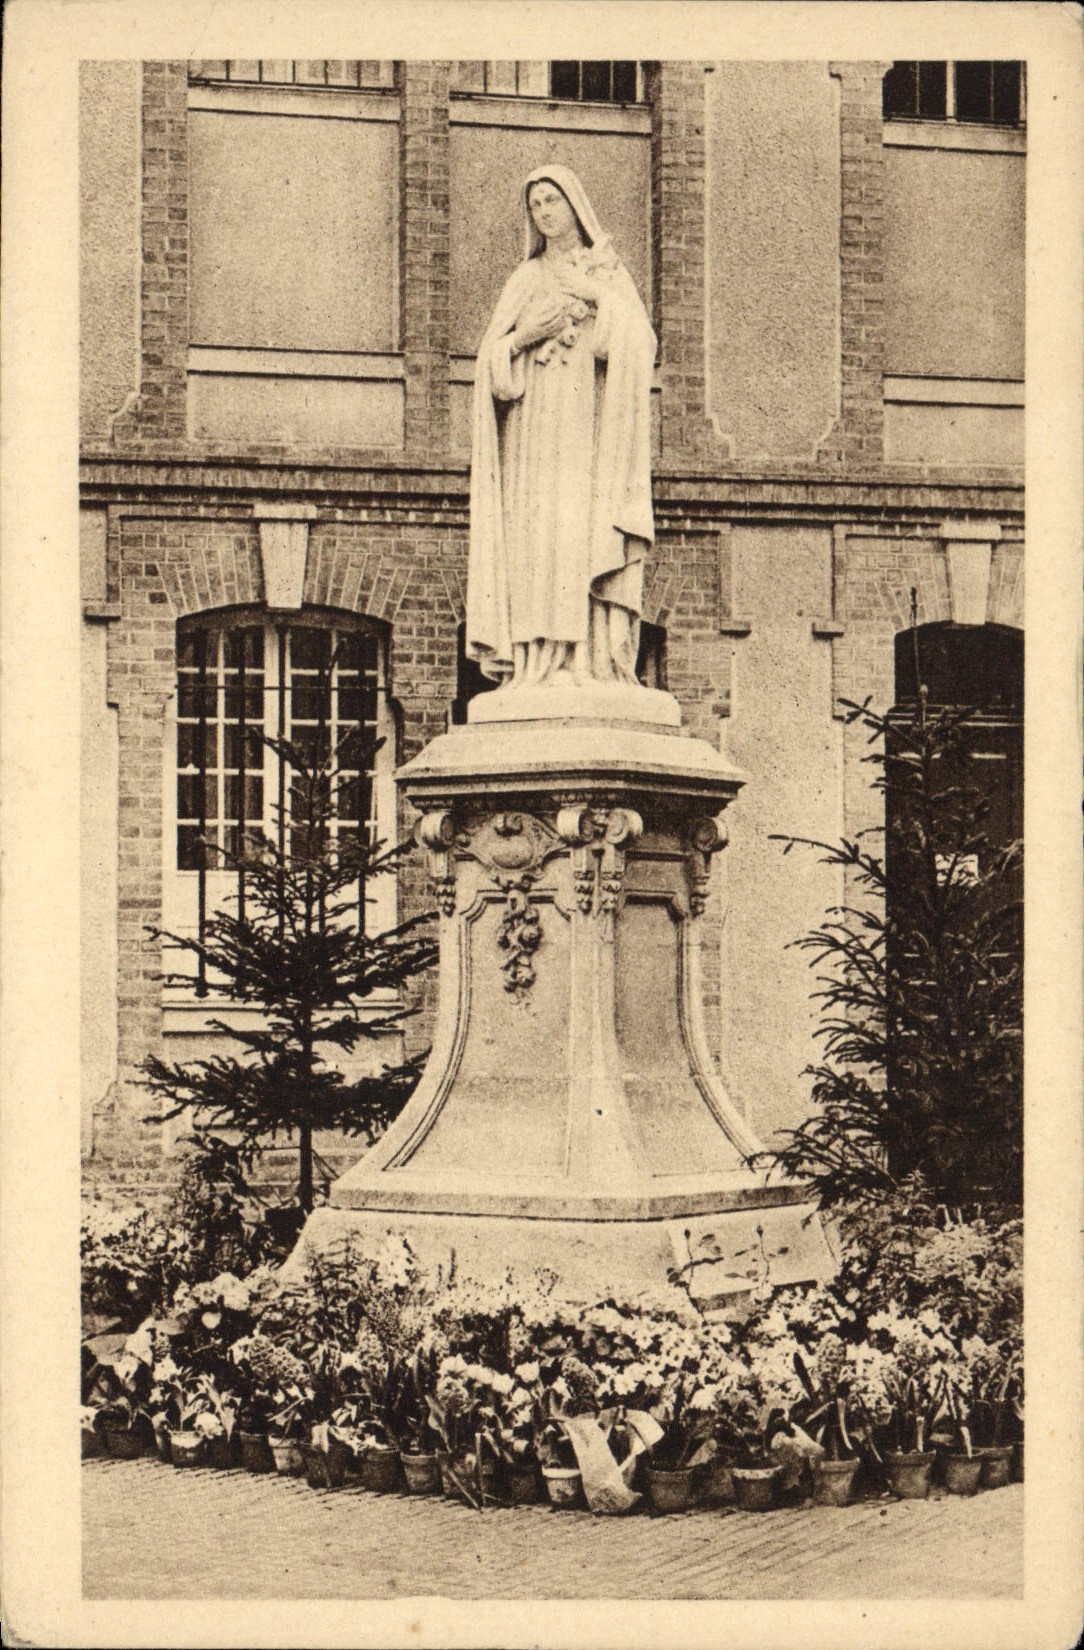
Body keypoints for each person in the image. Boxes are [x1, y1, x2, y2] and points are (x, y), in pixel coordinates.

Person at [466, 165, 657, 690]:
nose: (545, 213)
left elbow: (641, 347)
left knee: (582, 533)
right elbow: (490, 367)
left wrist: (594, 297)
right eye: (536, 206)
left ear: (575, 205)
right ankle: (540, 663)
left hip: (589, 436)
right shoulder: (525, 278)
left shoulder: (608, 272)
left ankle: (592, 660)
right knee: (540, 539)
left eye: (552, 201)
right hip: (534, 437)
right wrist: (525, 335)